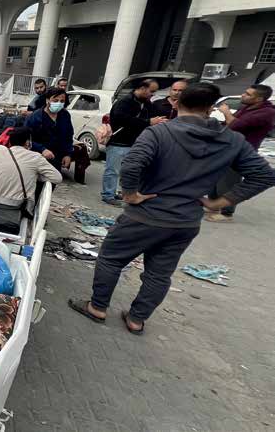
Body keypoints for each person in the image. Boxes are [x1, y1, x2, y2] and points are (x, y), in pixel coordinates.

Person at [68, 82, 275, 334]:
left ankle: (98, 308)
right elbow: (264, 176)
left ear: (176, 103)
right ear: (211, 108)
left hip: (145, 216)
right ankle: (136, 319)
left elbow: (132, 165)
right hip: (185, 222)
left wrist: (131, 195)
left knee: (111, 259)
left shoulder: (159, 133)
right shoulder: (232, 140)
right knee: (158, 274)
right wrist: (218, 203)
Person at [206, 83, 275, 222]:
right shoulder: (248, 107)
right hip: (227, 147)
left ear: (259, 99)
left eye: (249, 94)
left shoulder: (267, 112)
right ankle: (214, 205)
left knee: (229, 180)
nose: (243, 95)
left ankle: (227, 213)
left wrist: (225, 112)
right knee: (217, 177)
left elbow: (236, 125)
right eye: (245, 92)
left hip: (242, 151)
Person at [101, 79, 167, 207]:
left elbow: (154, 116)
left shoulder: (146, 104)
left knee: (127, 171)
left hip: (135, 143)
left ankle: (121, 192)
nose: (152, 94)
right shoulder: (125, 102)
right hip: (119, 142)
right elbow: (122, 120)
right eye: (151, 91)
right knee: (112, 170)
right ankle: (108, 194)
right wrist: (148, 122)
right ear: (142, 88)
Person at [0, 127, 62, 214]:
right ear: (28, 142)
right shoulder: (36, 157)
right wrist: (34, 175)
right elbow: (57, 178)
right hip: (15, 204)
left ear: (10, 141)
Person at [24, 88, 74, 172]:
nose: (59, 103)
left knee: (54, 181)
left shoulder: (65, 115)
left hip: (56, 158)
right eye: (55, 100)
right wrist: (42, 149)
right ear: (48, 100)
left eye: (62, 101)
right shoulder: (35, 117)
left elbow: (68, 136)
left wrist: (68, 154)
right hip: (37, 157)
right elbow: (26, 138)